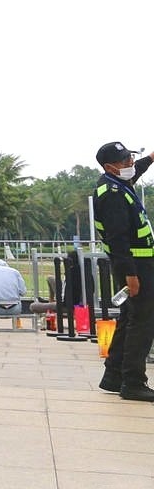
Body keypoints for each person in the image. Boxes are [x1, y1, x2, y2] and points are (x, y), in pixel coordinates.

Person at [94, 141, 154, 401]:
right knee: (142, 322)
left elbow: (137, 169)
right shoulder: (112, 195)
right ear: (110, 167)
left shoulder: (117, 183)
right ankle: (133, 381)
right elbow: (118, 240)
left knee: (129, 318)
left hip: (137, 266)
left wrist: (151, 157)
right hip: (135, 267)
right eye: (125, 161)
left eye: (130, 158)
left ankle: (113, 376)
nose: (131, 163)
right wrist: (131, 277)